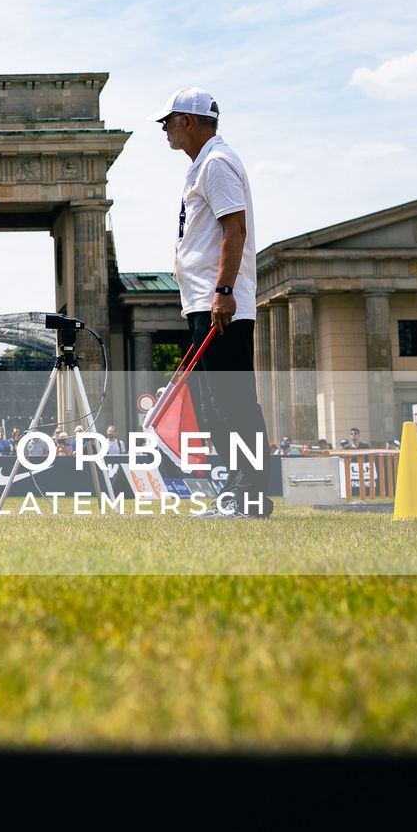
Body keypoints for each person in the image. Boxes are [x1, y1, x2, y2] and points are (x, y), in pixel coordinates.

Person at [157, 86, 269, 517]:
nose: (165, 129)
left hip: (220, 302)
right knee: (215, 405)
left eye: (168, 121)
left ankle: (248, 495)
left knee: (232, 402)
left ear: (188, 121)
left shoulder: (217, 164)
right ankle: (240, 492)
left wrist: (223, 292)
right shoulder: (203, 165)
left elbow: (233, 230)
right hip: (204, 301)